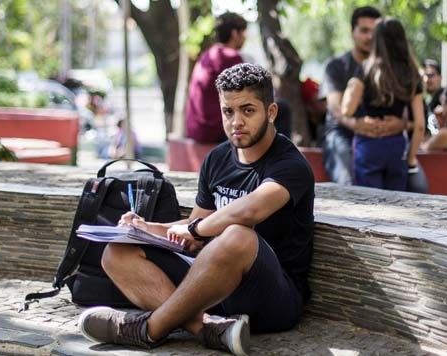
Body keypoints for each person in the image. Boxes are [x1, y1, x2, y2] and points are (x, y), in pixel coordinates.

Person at [78, 63, 315, 356]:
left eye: (248, 110)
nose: (236, 121)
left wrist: (194, 229)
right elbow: (197, 228)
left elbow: (249, 211)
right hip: (213, 288)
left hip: (272, 298)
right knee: (116, 252)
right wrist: (147, 228)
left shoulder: (290, 164)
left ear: (271, 112)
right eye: (228, 111)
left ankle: (146, 330)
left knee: (237, 235)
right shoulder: (217, 159)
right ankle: (208, 328)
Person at [320, 6, 405, 185]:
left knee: (416, 184)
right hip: (342, 132)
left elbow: (406, 112)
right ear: (353, 32)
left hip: (381, 135)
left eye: (374, 32)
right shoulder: (336, 66)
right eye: (364, 31)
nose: (370, 37)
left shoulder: (392, 68)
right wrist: (357, 125)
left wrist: (401, 125)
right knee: (348, 182)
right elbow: (335, 108)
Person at [341, 17, 425, 191]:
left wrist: (353, 84)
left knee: (369, 203)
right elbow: (420, 126)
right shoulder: (412, 74)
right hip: (396, 146)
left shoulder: (365, 69)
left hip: (368, 144)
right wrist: (410, 159)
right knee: (396, 204)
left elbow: (346, 110)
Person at [185, 12, 247, 143]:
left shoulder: (207, 55)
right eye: (244, 32)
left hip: (195, 128)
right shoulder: (230, 57)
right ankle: (275, 162)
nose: (245, 37)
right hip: (212, 130)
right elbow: (246, 95)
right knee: (279, 109)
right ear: (235, 33)